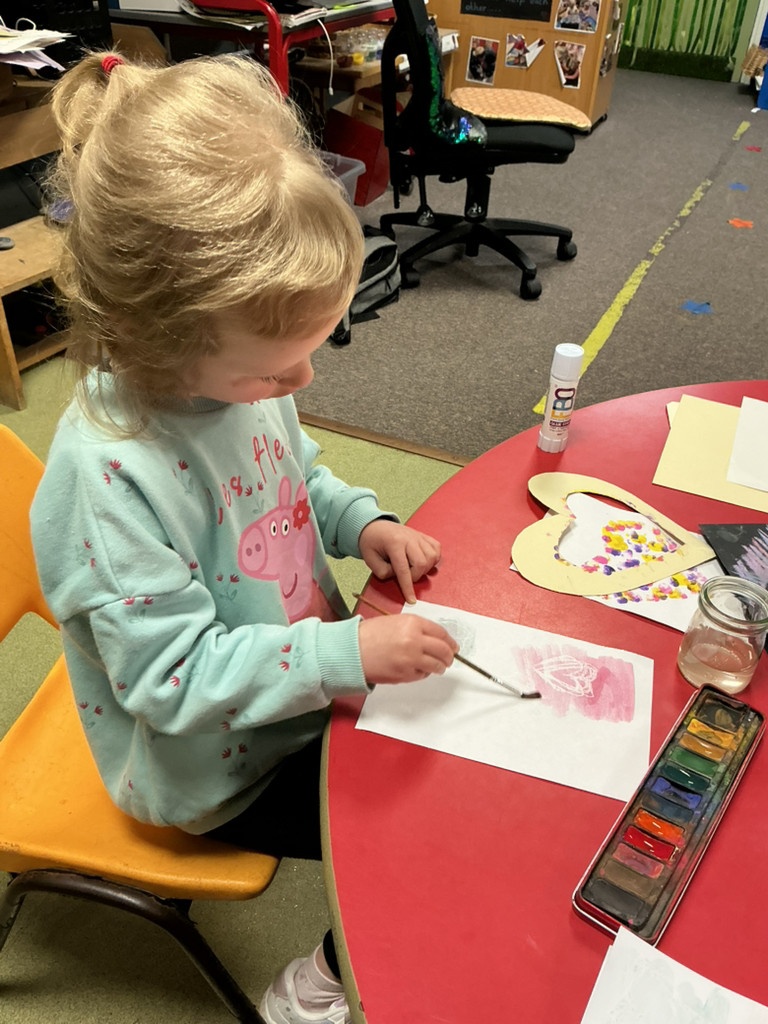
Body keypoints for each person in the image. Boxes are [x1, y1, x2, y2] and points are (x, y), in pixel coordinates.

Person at [30, 51, 459, 1024]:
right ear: (155, 339)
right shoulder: (111, 478)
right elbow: (173, 680)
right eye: (275, 371)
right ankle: (316, 987)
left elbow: (293, 472)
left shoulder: (231, 378)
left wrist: (362, 520)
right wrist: (347, 654)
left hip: (293, 687)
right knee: (418, 823)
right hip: (213, 766)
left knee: (449, 760)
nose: (300, 384)